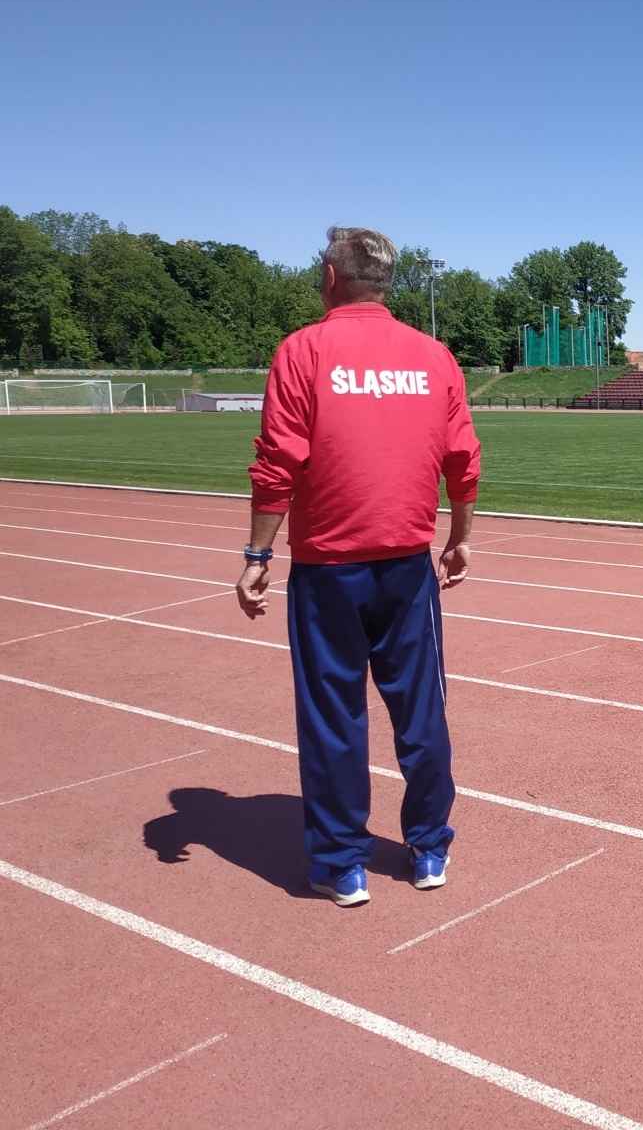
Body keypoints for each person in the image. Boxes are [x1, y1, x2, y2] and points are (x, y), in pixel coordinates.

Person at [237, 227, 481, 908]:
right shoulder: (432, 355)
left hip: (327, 567)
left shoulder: (303, 350)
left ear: (329, 277)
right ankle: (428, 848)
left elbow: (278, 460)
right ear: (386, 282)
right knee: (421, 709)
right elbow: (462, 456)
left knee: (332, 715)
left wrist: (258, 554)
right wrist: (460, 537)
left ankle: (343, 865)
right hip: (407, 564)